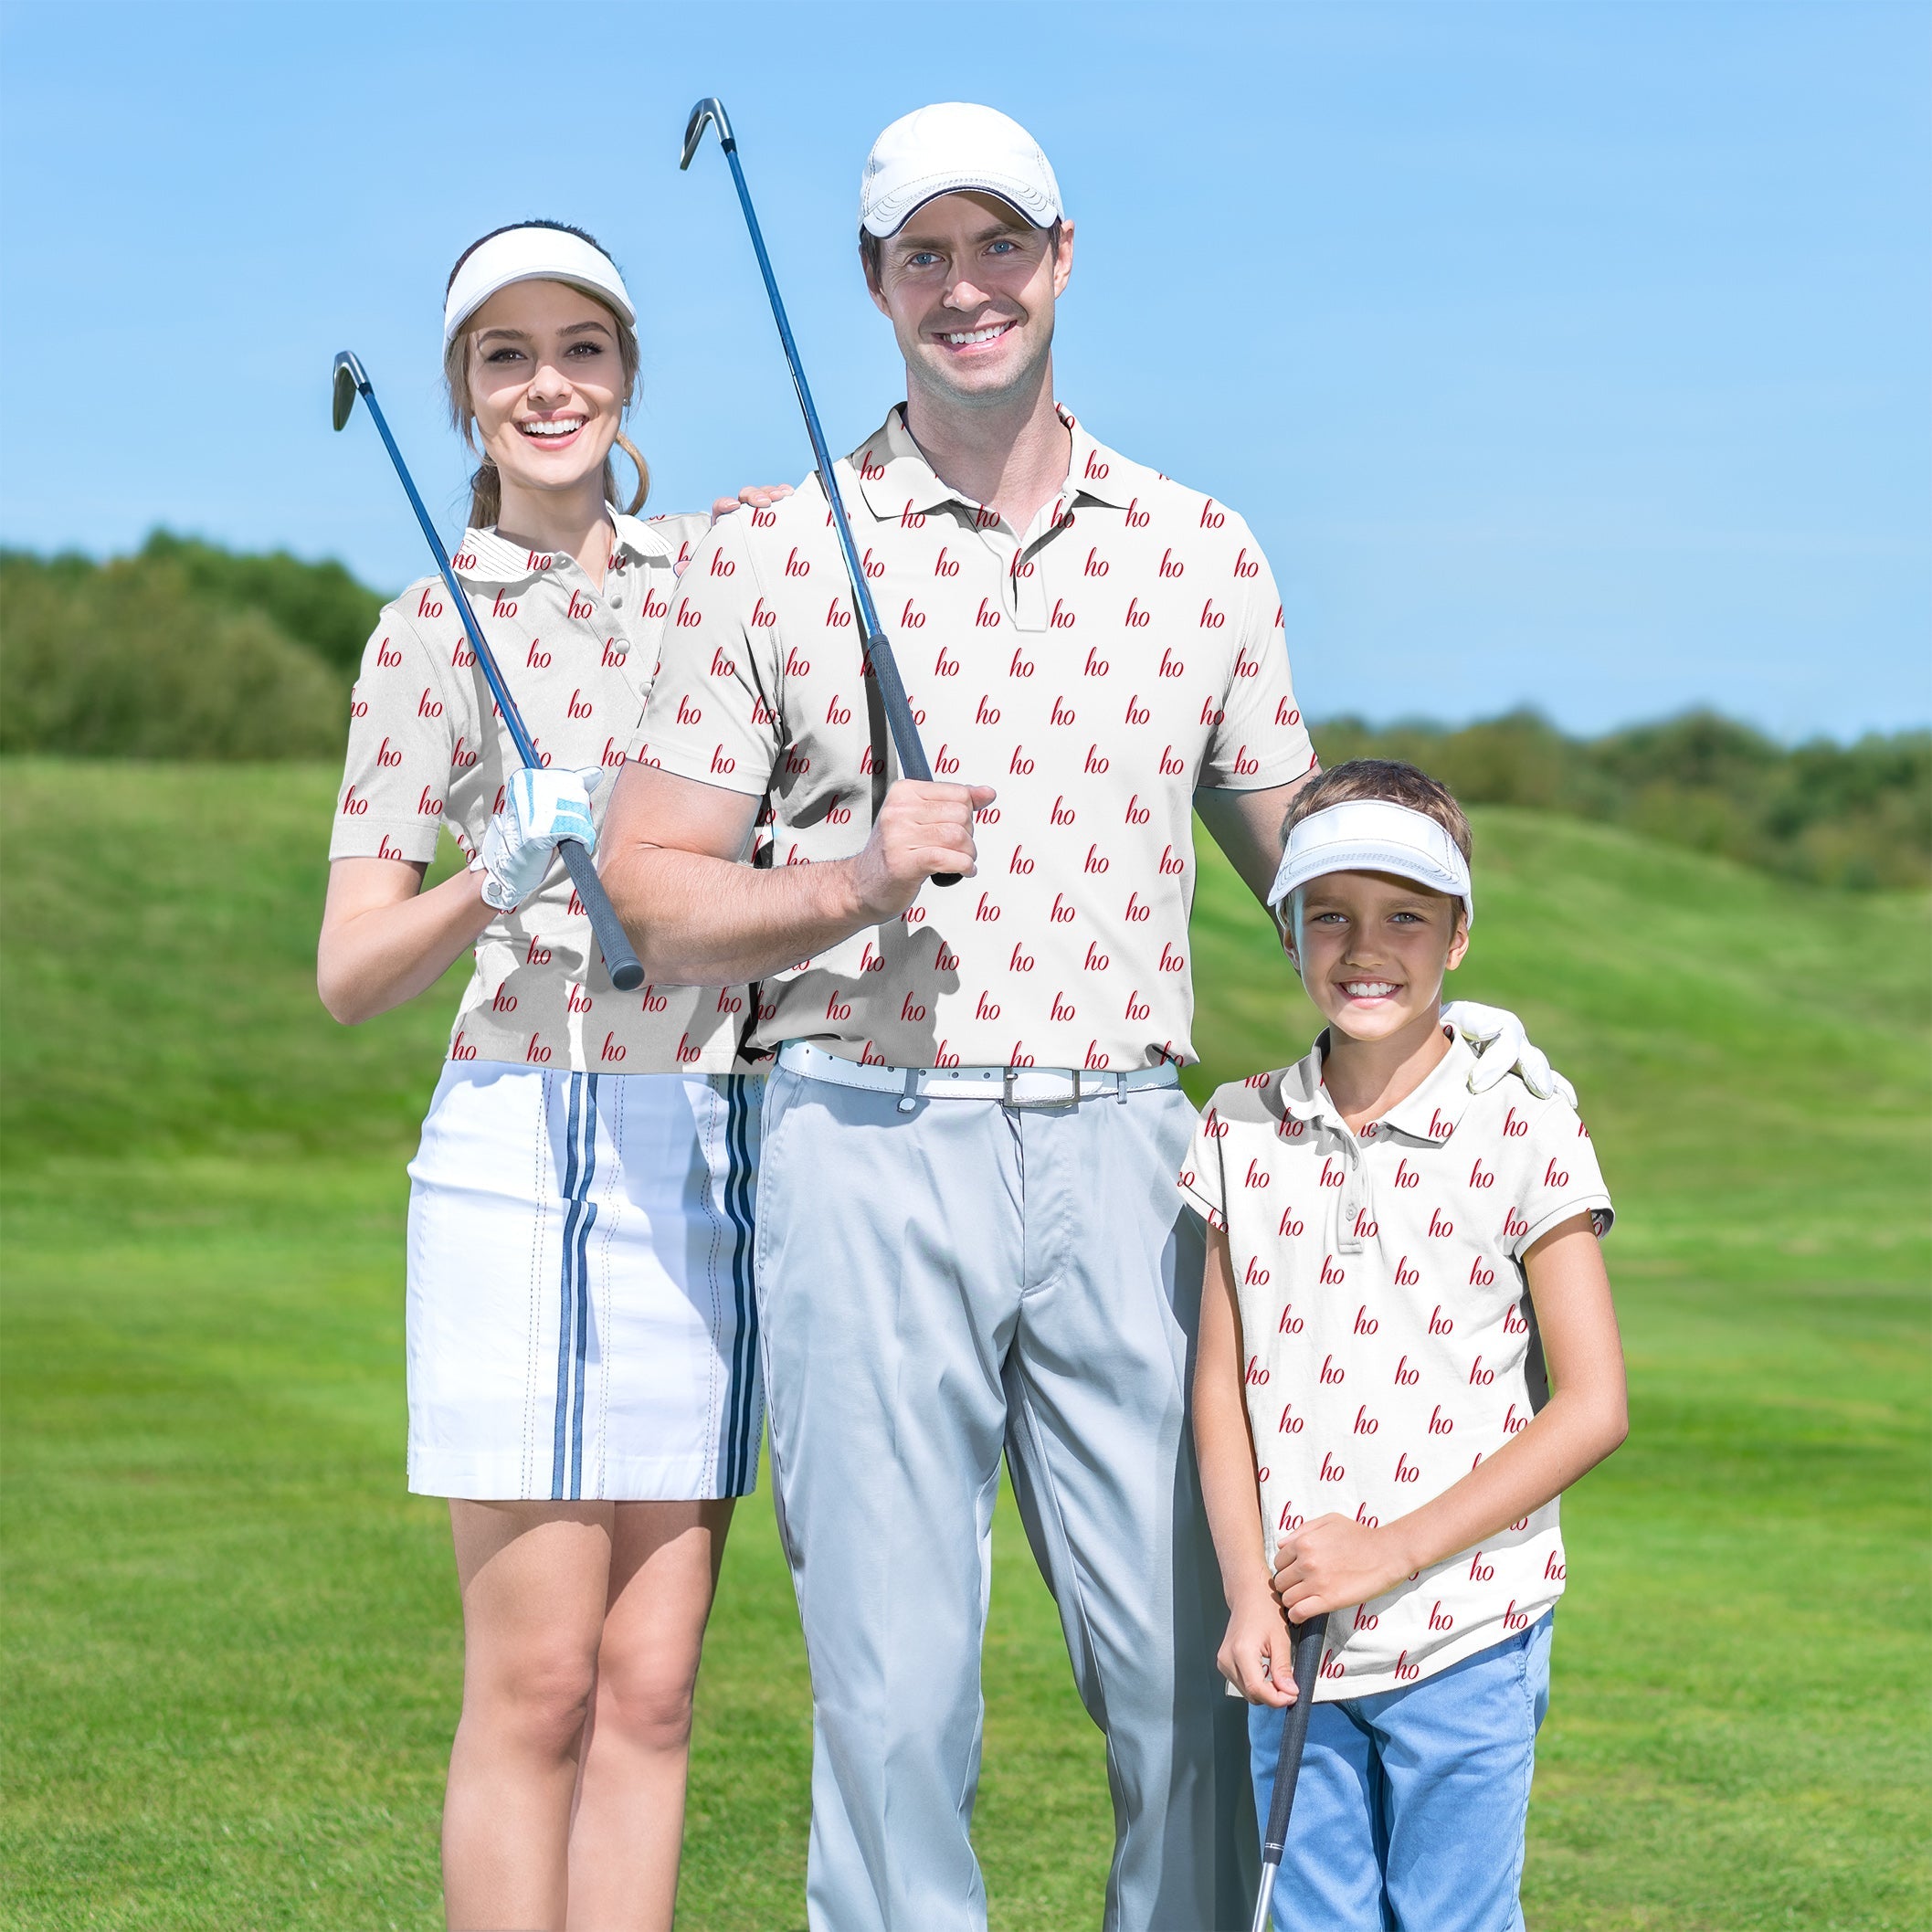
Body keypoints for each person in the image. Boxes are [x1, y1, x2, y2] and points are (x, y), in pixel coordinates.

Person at [598, 106, 1564, 1931]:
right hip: (859, 1132)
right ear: (874, 284)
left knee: (1199, 1668)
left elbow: (1306, 868)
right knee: (894, 1698)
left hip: (1136, 1154)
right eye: (923, 255)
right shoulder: (766, 549)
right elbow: (651, 886)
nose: (967, 288)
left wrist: (1449, 1019)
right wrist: (841, 883)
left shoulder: (1200, 549)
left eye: (999, 246)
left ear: (1060, 257)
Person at [317, 220, 787, 1932]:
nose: (548, 386)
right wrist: (486, 876)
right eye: (506, 356)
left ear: (627, 375)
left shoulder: (716, 600)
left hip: (697, 1148)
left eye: (579, 349)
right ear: (462, 393)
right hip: (516, 1144)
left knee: (653, 1686)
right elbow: (350, 971)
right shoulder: (422, 636)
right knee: (538, 1686)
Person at [1183, 759, 1630, 1932]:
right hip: (1295, 1635)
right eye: (1328, 913)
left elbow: (1592, 1406)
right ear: (1286, 928)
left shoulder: (1525, 1119)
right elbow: (1219, 1394)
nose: (1363, 946)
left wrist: (1390, 1553)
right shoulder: (1237, 1126)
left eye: (1404, 917)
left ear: (1458, 937)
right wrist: (1244, 1596)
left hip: (1470, 1620)